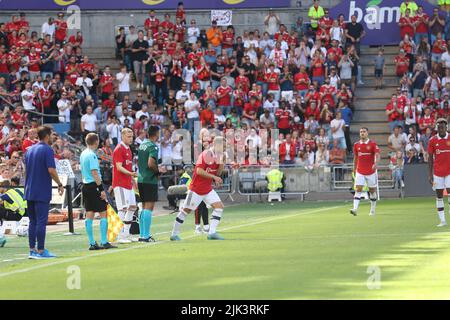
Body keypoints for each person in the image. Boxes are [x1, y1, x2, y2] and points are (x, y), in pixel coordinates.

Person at [170, 136, 225, 241]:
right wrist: (214, 177)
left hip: (207, 189)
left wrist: (221, 164)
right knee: (186, 210)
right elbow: (199, 170)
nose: (224, 149)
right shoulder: (205, 154)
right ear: (216, 144)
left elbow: (217, 174)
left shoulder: (218, 157)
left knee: (219, 207)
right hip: (196, 189)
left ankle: (212, 232)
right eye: (223, 147)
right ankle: (174, 234)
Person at [24, 126, 64, 259]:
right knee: (41, 221)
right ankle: (41, 250)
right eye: (52, 135)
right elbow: (51, 170)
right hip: (41, 190)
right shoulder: (47, 149)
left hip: (29, 190)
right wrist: (59, 183)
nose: (53, 137)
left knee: (32, 221)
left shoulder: (29, 150)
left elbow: (26, 171)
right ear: (46, 136)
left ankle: (32, 250)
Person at [80, 133, 116, 250]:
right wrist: (101, 189)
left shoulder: (84, 153)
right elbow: (95, 173)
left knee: (89, 213)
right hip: (94, 185)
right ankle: (104, 241)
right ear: (96, 142)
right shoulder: (92, 155)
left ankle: (91, 243)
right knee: (103, 213)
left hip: (86, 185)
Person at [137, 125, 166, 242]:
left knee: (143, 207)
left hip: (141, 179)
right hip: (149, 180)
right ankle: (146, 235)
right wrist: (159, 170)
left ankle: (142, 235)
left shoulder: (142, 145)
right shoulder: (153, 146)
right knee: (149, 207)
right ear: (156, 134)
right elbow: (150, 163)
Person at [113, 128, 138, 243]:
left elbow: (127, 166)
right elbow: (119, 167)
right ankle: (119, 235)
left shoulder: (128, 149)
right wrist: (131, 174)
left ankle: (126, 233)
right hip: (120, 183)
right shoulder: (119, 149)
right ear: (122, 136)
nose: (131, 138)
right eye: (128, 136)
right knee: (122, 209)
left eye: (132, 136)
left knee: (132, 207)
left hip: (127, 183)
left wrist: (133, 179)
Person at [350, 127, 380, 217]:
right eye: (361, 132)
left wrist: (376, 163)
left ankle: (372, 210)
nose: (362, 133)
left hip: (371, 171)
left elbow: (378, 155)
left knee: (372, 191)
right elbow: (355, 158)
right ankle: (355, 209)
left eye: (364, 131)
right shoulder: (356, 145)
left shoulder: (373, 144)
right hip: (360, 171)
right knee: (358, 189)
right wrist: (354, 169)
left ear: (367, 133)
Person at [427, 118, 450, 227]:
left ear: (446, 127)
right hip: (437, 173)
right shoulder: (432, 140)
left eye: (443, 127)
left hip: (449, 172)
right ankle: (442, 221)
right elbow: (430, 159)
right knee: (439, 196)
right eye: (439, 127)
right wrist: (430, 174)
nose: (441, 129)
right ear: (437, 128)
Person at [0, 177, 27, 247]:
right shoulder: (16, 190)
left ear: (3, 188)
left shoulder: (7, 194)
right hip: (24, 212)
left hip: (16, 215)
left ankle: (0, 237)